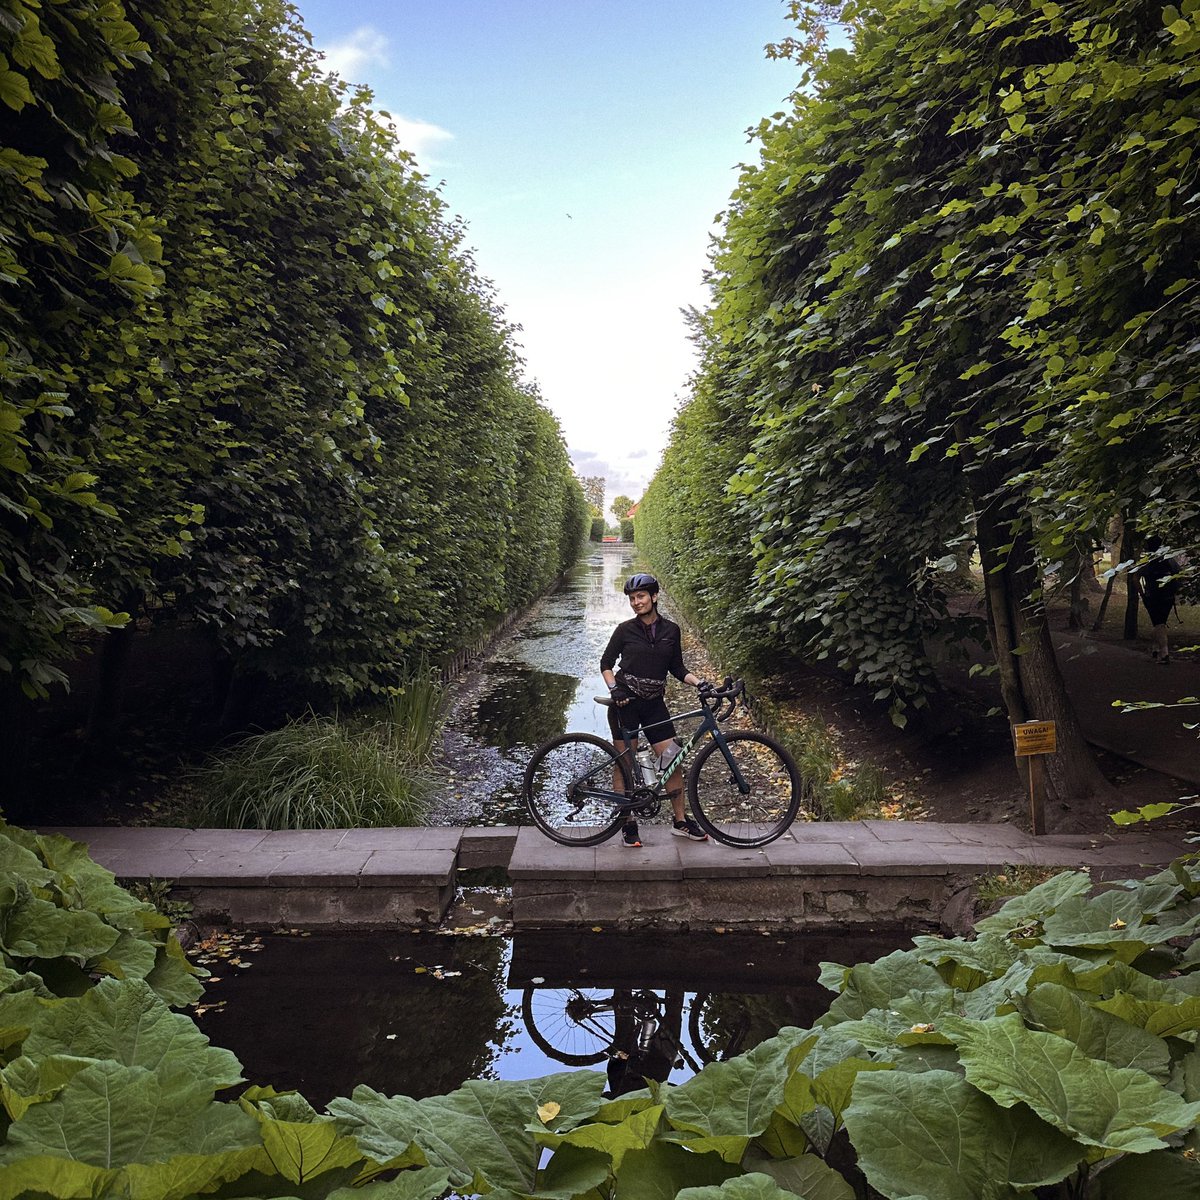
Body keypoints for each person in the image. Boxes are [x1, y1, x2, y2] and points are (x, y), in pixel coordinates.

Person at [600, 572, 709, 846]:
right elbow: (606, 664)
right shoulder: (624, 630)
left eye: (641, 597)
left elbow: (677, 669)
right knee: (625, 762)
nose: (636, 602)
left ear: (654, 597)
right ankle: (627, 823)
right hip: (625, 704)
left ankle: (681, 821)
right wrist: (615, 690)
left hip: (654, 705)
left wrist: (701, 683)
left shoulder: (671, 631)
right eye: (632, 598)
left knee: (672, 760)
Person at [1136, 536, 1182, 665]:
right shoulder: (1169, 560)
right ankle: (1155, 649)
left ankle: (1164, 654)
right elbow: (1179, 574)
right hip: (1167, 597)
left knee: (1158, 624)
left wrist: (1142, 593)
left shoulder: (1146, 562)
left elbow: (1135, 578)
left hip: (1151, 597)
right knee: (1159, 623)